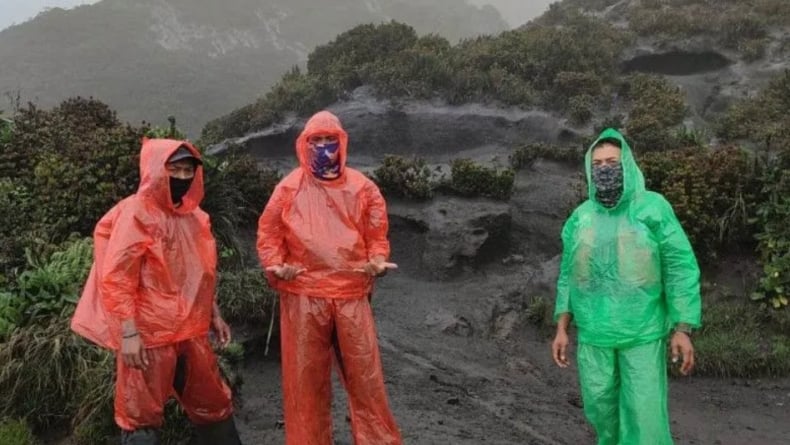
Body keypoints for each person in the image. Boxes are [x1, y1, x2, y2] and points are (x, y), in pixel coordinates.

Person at [71, 138, 243, 445]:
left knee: (213, 404)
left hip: (191, 331)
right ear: (155, 170)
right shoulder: (136, 213)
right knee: (140, 416)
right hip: (149, 336)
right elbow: (118, 277)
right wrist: (128, 333)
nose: (181, 177)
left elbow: (199, 274)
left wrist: (213, 313)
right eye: (173, 169)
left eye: (187, 170)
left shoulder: (195, 218)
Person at [257, 110, 402, 445]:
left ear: (342, 142)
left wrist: (377, 260)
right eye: (316, 140)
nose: (323, 146)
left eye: (329, 140)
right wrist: (276, 264)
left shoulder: (362, 188)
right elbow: (269, 232)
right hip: (303, 296)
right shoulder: (288, 188)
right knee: (306, 385)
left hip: (351, 295)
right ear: (304, 144)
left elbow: (377, 233)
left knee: (365, 381)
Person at [551, 128, 701, 445]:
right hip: (594, 335)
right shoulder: (581, 217)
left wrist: (682, 326)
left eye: (612, 161)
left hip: (642, 334)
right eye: (598, 163)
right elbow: (568, 274)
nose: (605, 169)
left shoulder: (652, 208)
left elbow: (679, 267)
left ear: (627, 165)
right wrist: (562, 326)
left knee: (644, 416)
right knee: (601, 411)